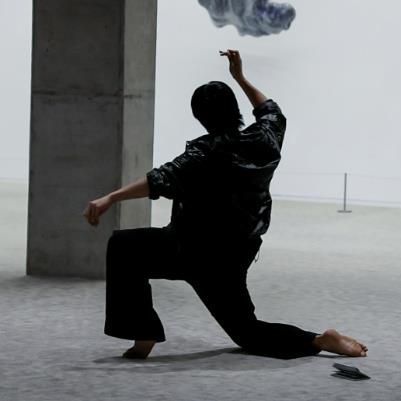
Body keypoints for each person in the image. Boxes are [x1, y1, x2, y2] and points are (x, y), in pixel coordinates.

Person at [83, 49, 367, 360]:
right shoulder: (264, 140)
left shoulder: (203, 154)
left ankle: (143, 334)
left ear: (199, 117)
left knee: (123, 247)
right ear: (234, 110)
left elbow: (158, 180)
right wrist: (240, 77)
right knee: (248, 332)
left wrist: (111, 197)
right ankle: (318, 340)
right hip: (235, 254)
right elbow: (270, 111)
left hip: (190, 250)